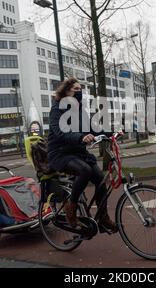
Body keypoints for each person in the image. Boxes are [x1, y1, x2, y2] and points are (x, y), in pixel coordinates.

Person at [47, 78, 118, 233]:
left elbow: (93, 128)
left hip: (78, 153)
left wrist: (112, 132)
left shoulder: (80, 110)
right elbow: (60, 133)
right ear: (66, 92)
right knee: (84, 170)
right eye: (76, 89)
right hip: (60, 153)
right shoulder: (57, 109)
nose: (80, 92)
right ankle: (70, 208)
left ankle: (103, 217)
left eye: (80, 89)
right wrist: (80, 137)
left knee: (100, 178)